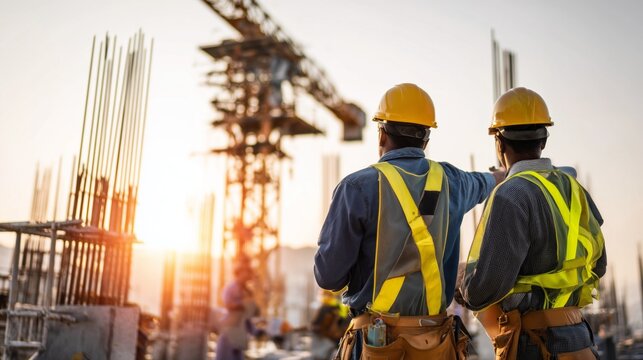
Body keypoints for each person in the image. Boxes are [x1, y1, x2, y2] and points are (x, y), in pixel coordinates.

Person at [314, 83, 504, 359]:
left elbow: (328, 277)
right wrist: (504, 173)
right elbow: (489, 181)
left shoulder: (356, 188)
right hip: (436, 345)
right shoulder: (455, 182)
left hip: (376, 344)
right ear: (426, 139)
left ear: (381, 134)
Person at [459, 87, 606, 359]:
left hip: (536, 343)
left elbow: (484, 291)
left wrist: (464, 283)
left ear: (499, 142)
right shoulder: (574, 189)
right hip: (580, 339)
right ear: (544, 139)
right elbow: (599, 264)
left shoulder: (511, 194)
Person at [215, 258, 259, 360]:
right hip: (229, 333)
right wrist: (243, 305)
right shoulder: (230, 288)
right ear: (239, 273)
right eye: (246, 273)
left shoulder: (246, 292)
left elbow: (248, 317)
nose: (248, 276)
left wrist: (255, 332)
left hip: (239, 336)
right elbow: (229, 305)